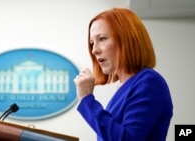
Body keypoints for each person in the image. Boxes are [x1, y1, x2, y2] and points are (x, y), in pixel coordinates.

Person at [74, 8, 173, 141]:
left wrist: (87, 99)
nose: (94, 50)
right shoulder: (124, 87)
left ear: (126, 39)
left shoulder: (148, 82)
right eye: (92, 43)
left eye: (102, 39)